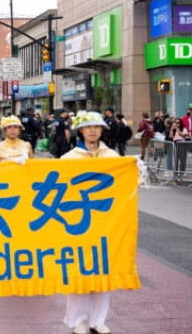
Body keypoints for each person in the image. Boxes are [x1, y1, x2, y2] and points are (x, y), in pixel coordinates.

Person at [61, 111, 118, 334]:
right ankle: (77, 320)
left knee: (104, 271)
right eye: (88, 126)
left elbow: (130, 184)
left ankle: (98, 320)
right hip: (78, 223)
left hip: (107, 222)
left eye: (97, 126)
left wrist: (137, 168)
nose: (93, 130)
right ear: (80, 130)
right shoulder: (69, 158)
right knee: (79, 271)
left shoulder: (113, 157)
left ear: (102, 130)